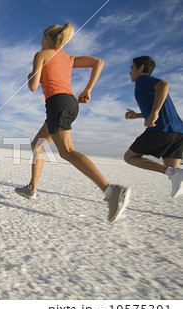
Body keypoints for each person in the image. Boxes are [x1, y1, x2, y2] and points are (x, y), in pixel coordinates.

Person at [14, 22, 131, 223]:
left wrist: (32, 76)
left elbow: (33, 86)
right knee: (38, 145)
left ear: (48, 38)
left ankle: (111, 191)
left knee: (66, 150)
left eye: (42, 38)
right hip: (68, 102)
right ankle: (31, 188)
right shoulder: (68, 58)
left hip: (57, 103)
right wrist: (88, 90)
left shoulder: (41, 55)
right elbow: (99, 62)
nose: (40, 42)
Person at [124, 56, 183, 198]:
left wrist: (154, 114)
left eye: (132, 68)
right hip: (179, 132)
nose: (129, 72)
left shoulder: (142, 80)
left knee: (130, 157)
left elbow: (163, 85)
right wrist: (137, 115)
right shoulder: (146, 86)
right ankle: (175, 175)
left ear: (141, 68)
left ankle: (174, 174)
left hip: (162, 129)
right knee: (174, 170)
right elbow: (154, 110)